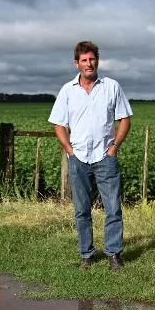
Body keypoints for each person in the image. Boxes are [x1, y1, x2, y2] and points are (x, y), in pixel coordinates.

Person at [48, 41, 133, 272]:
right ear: (77, 64)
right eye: (84, 60)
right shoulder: (68, 91)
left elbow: (125, 119)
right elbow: (58, 123)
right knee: (82, 209)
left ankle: (114, 254)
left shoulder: (111, 87)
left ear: (97, 60)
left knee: (113, 207)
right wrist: (69, 150)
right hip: (79, 158)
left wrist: (114, 147)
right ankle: (86, 255)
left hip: (105, 157)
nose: (89, 63)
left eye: (92, 59)